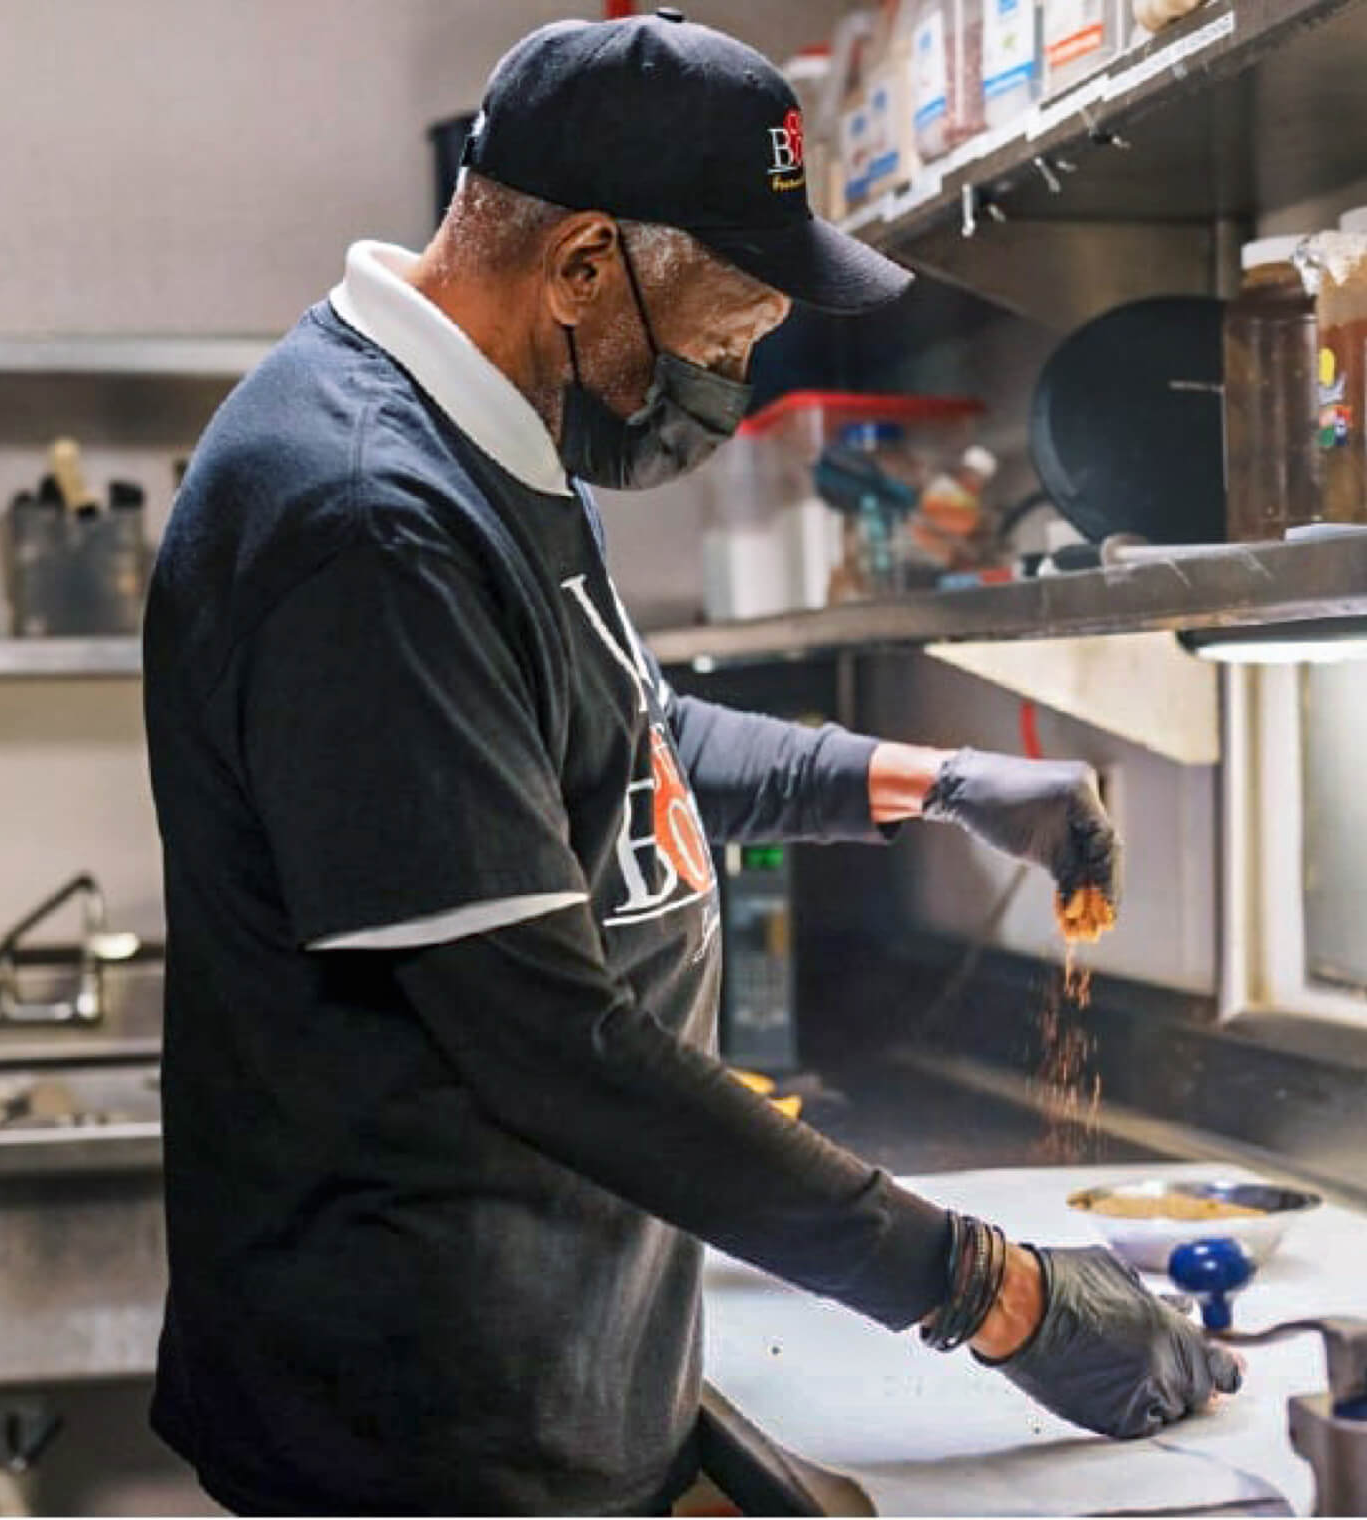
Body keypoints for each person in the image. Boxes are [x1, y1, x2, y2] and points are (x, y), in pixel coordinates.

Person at [142, 11, 1239, 1516]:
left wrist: (940, 784)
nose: (740, 364)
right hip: (411, 1428)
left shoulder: (493, 439)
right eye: (729, 324)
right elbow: (549, 1049)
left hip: (552, 1357)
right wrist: (993, 1294)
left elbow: (627, 739)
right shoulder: (364, 523)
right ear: (585, 263)